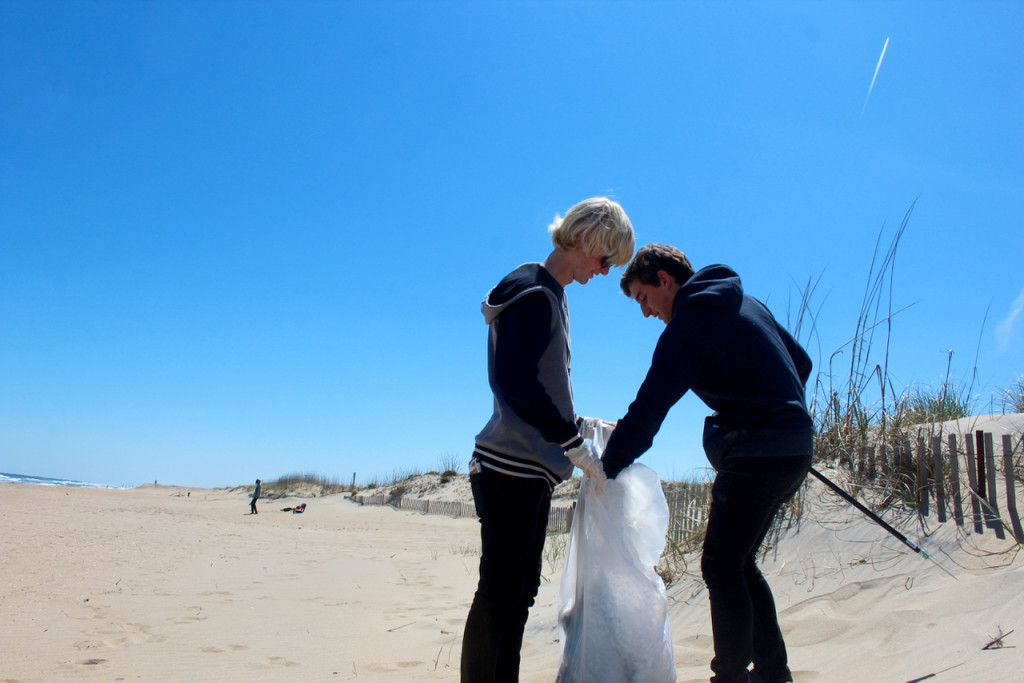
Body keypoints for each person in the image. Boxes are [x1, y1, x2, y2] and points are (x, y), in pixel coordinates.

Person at [600, 244, 814, 683]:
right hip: (794, 446)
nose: (645, 313)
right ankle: (773, 674)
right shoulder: (746, 302)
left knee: (720, 564)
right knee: (739, 562)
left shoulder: (689, 325)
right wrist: (769, 402)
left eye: (643, 298)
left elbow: (646, 414)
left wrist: (606, 467)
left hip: (757, 451)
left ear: (664, 279)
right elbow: (803, 362)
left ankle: (731, 676)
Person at [461, 197, 635, 683]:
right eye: (605, 260)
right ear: (585, 239)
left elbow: (542, 387)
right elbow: (513, 382)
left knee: (518, 592)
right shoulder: (535, 292)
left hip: (529, 467)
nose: (604, 272)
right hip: (508, 466)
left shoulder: (549, 293)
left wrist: (581, 427)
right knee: (500, 591)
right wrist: (570, 440)